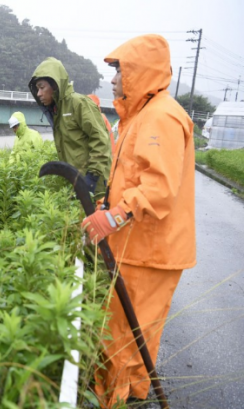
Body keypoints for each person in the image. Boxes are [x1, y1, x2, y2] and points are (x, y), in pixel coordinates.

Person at [81, 34, 196, 408]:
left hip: (151, 251)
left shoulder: (161, 116)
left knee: (121, 336)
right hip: (142, 247)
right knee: (136, 334)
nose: (113, 80)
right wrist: (108, 203)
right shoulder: (142, 115)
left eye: (120, 71)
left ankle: (110, 400)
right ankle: (132, 396)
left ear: (141, 73)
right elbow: (135, 178)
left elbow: (159, 188)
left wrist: (114, 216)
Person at [29, 57, 112, 198]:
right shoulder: (56, 111)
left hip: (97, 186)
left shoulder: (78, 103)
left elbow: (101, 140)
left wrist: (92, 178)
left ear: (55, 85)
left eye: (42, 88)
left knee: (96, 220)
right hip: (78, 184)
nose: (39, 94)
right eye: (37, 89)